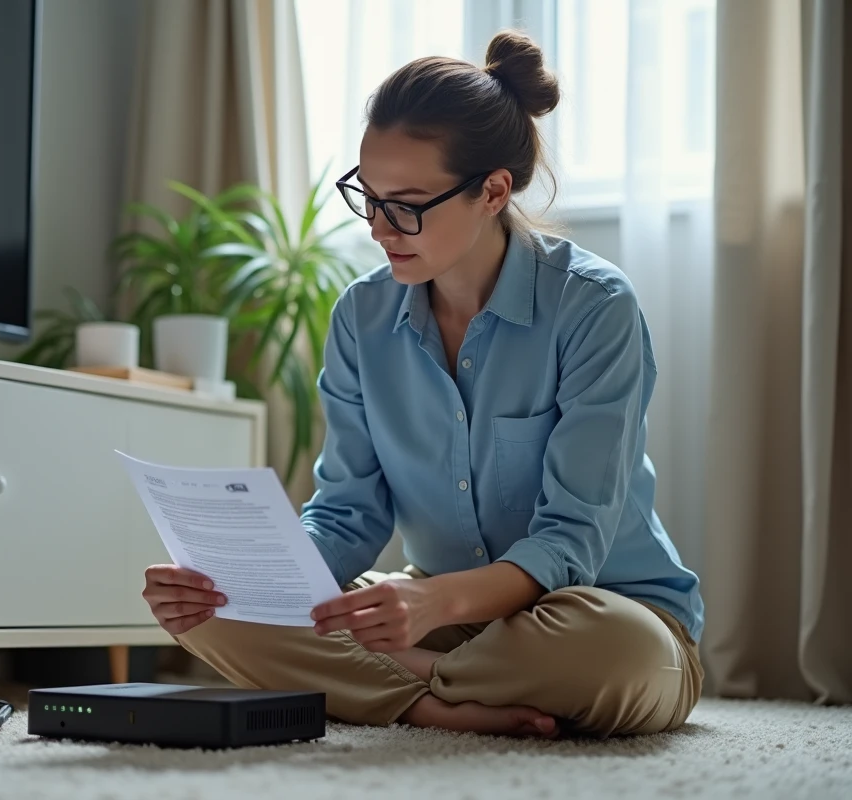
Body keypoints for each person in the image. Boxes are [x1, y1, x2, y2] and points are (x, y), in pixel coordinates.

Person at [141, 30, 703, 739]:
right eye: (368, 197)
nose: (380, 229)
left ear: (492, 190)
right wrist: (242, 580)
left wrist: (433, 606)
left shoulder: (594, 307)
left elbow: (571, 541)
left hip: (594, 609)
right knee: (215, 615)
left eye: (405, 204)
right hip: (437, 620)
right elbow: (347, 514)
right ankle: (439, 703)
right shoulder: (361, 317)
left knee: (621, 657)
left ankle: (398, 685)